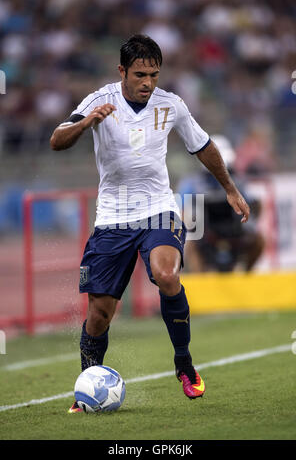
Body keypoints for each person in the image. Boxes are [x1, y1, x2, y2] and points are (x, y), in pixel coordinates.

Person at [50, 34, 250, 413]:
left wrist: (231, 189)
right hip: (112, 218)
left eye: (154, 75)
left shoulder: (170, 104)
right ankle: (87, 385)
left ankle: (184, 364)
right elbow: (57, 140)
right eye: (140, 74)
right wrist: (86, 122)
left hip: (158, 210)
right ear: (122, 71)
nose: (148, 83)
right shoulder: (98, 101)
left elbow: (202, 145)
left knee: (167, 275)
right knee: (100, 313)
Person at [178, 135, 264, 273]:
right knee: (191, 245)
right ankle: (200, 286)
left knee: (259, 241)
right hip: (205, 235)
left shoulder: (239, 181)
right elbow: (180, 213)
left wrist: (250, 225)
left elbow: (252, 205)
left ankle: (245, 278)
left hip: (235, 232)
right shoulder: (191, 184)